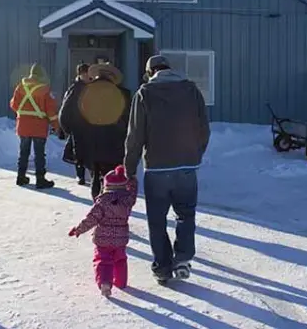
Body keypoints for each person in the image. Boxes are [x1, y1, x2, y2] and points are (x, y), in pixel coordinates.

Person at [123, 55, 210, 283]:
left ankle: (162, 267)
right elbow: (203, 128)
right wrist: (195, 153)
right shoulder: (191, 90)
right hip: (187, 168)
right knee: (186, 215)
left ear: (150, 72)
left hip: (157, 168)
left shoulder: (144, 93)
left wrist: (129, 167)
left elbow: (135, 136)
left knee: (157, 219)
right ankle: (182, 259)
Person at [59, 62, 130, 200]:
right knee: (111, 180)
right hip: (113, 145)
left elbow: (65, 116)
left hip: (88, 144)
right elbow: (130, 122)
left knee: (95, 176)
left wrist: (73, 132)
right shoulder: (123, 94)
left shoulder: (81, 90)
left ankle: (97, 206)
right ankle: (110, 211)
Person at [68, 165, 138, 297]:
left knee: (103, 260)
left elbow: (91, 219)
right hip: (121, 238)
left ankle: (105, 283)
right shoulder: (128, 200)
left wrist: (78, 230)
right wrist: (132, 179)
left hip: (102, 239)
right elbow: (133, 190)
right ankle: (121, 282)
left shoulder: (102, 202)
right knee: (120, 260)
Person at [10, 63, 59, 189]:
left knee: (23, 152)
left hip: (23, 126)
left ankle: (21, 177)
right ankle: (40, 179)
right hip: (38, 126)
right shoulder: (45, 89)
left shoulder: (20, 87)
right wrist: (56, 125)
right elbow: (51, 111)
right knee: (39, 154)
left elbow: (14, 105)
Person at [61, 63, 91, 186]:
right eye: (85, 74)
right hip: (78, 124)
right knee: (79, 150)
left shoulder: (92, 86)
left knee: (90, 149)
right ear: (80, 74)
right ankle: (80, 175)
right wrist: (66, 125)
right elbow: (66, 107)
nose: (87, 76)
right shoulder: (75, 88)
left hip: (90, 123)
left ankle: (91, 172)